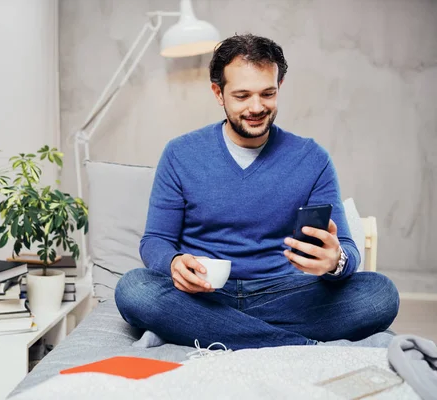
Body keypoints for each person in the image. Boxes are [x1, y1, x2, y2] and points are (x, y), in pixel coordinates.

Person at [114, 33, 399, 350]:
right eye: (242, 96)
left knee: (380, 294)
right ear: (218, 94)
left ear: (279, 88)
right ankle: (297, 345)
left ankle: (215, 330)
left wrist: (336, 261)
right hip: (204, 294)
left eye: (268, 93)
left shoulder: (312, 158)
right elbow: (155, 240)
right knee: (133, 289)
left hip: (284, 294)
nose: (256, 107)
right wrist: (173, 263)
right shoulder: (180, 153)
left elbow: (344, 248)